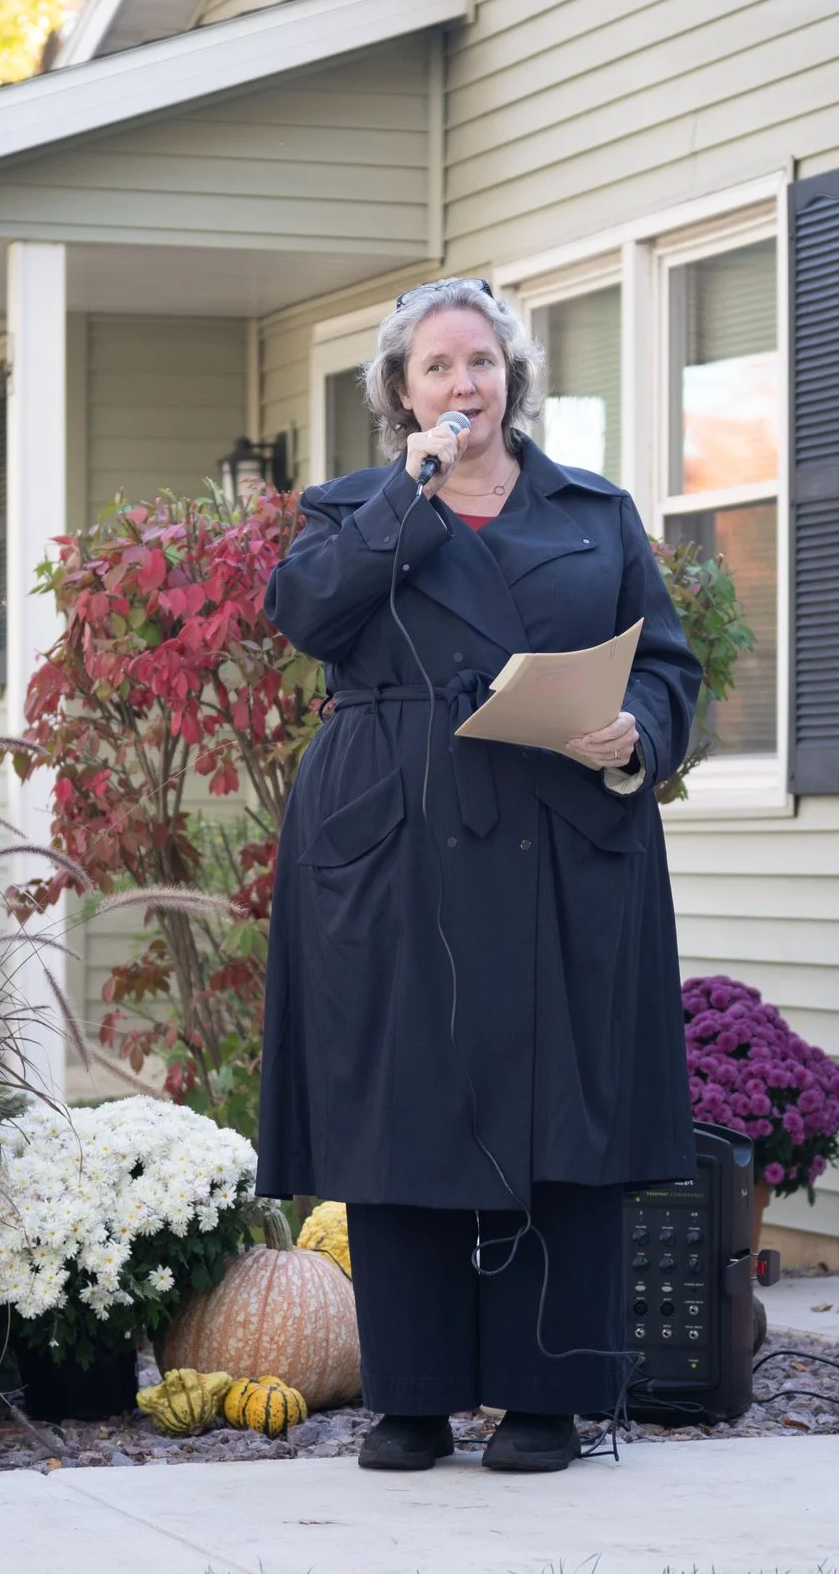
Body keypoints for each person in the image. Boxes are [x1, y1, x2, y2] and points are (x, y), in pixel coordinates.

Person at [260, 277, 703, 1474]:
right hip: (393, 839)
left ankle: (544, 1399)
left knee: (561, 1110)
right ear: (400, 393)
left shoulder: (593, 511)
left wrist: (639, 736)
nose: (466, 384)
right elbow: (304, 615)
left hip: (561, 833)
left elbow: (664, 663)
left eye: (483, 362)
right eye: (439, 367)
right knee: (399, 1108)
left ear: (514, 376)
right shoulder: (354, 505)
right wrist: (408, 490)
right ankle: (410, 1398)